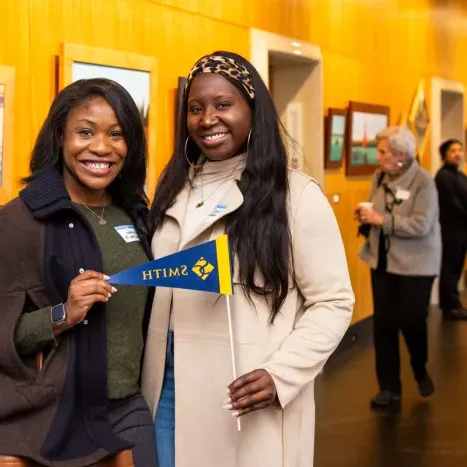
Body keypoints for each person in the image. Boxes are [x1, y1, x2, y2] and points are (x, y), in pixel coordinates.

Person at [0, 78, 158, 466]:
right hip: (53, 412)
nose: (101, 147)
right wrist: (62, 314)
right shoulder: (20, 221)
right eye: (85, 132)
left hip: (127, 407)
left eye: (116, 135)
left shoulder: (136, 214)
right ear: (59, 136)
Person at [143, 51, 354, 467]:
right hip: (166, 391)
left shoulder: (295, 196)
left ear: (253, 110)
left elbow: (333, 302)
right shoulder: (172, 189)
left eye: (224, 105)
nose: (208, 119)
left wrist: (282, 373)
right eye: (196, 108)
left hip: (245, 395)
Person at [356, 126, 441, 408]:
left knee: (411, 319)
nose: (377, 157)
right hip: (382, 261)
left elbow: (422, 224)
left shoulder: (423, 181)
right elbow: (377, 214)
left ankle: (420, 369)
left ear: (400, 156)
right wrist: (366, 218)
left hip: (417, 264)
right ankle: (389, 389)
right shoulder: (379, 177)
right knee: (384, 325)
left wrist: (382, 221)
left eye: (382, 152)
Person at [434, 138, 467, 320]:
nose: (458, 154)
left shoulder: (460, 175)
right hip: (450, 230)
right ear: (444, 155)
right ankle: (449, 306)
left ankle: (455, 303)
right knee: (450, 268)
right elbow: (453, 204)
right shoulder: (443, 177)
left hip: (461, 229)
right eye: (453, 150)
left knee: (457, 266)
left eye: (460, 150)